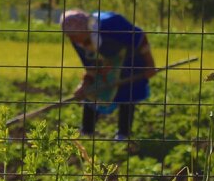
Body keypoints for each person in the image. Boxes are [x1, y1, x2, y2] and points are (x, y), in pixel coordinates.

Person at [60, 9, 156, 141]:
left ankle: (123, 135)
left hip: (130, 58)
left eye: (75, 35)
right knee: (92, 92)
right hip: (105, 64)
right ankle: (87, 132)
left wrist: (150, 64)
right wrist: (85, 84)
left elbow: (139, 38)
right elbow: (90, 65)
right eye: (69, 36)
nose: (73, 39)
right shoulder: (75, 38)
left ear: (86, 28)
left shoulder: (111, 25)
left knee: (127, 92)